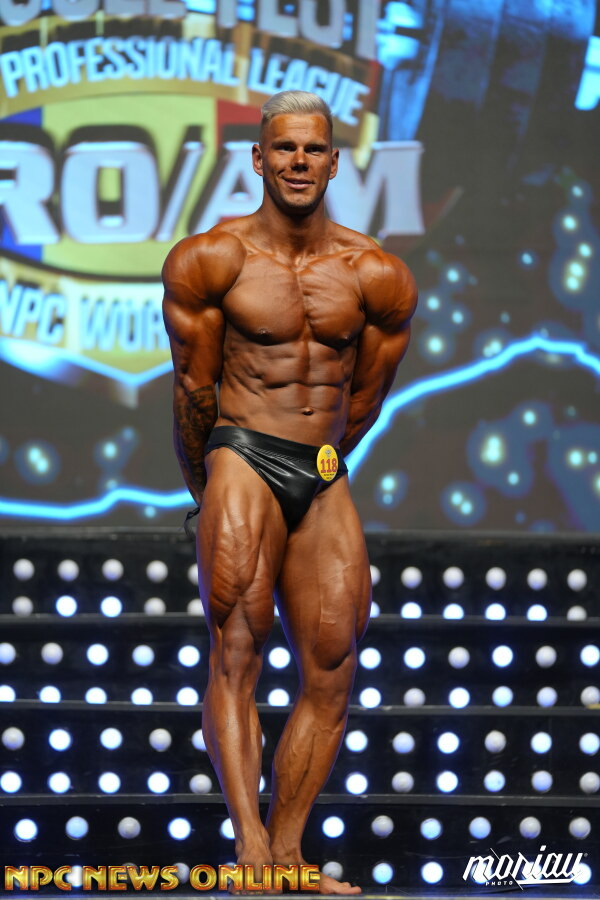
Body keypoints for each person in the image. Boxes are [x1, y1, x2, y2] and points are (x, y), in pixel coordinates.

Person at [161, 90, 418, 894]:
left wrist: (323, 464)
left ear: (334, 163)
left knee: (334, 661)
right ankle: (248, 849)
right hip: (241, 451)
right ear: (258, 159)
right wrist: (209, 485)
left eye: (312, 150)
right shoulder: (213, 259)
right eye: (284, 149)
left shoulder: (377, 274)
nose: (298, 162)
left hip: (321, 468)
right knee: (239, 646)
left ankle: (288, 855)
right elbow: (194, 391)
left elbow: (365, 399)